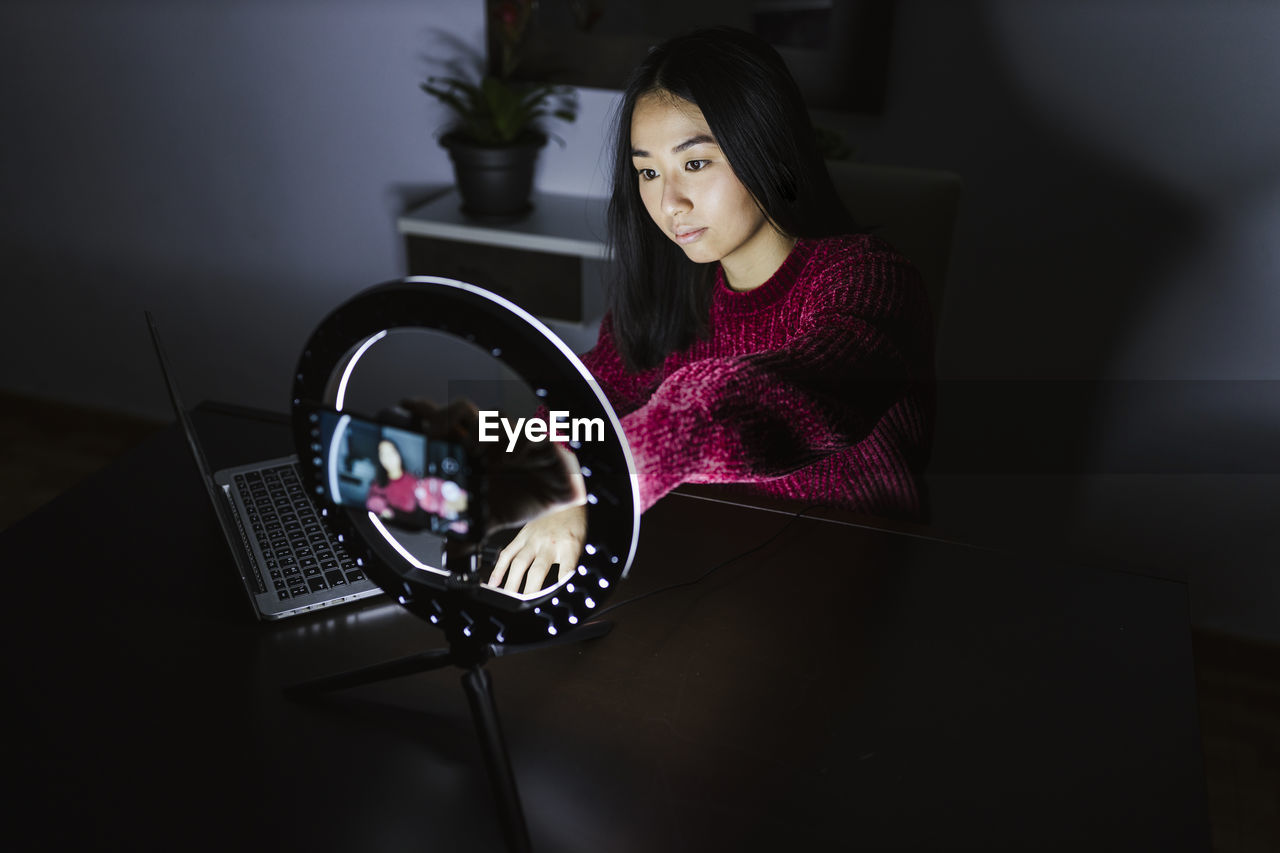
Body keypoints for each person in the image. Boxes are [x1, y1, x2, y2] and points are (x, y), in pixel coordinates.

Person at [489, 26, 935, 594]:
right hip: (714, 571)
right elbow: (589, 396)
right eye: (648, 172)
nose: (668, 201)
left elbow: (809, 392)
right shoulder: (672, 291)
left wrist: (601, 475)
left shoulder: (869, 279)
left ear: (766, 149)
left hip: (861, 579)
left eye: (695, 164)